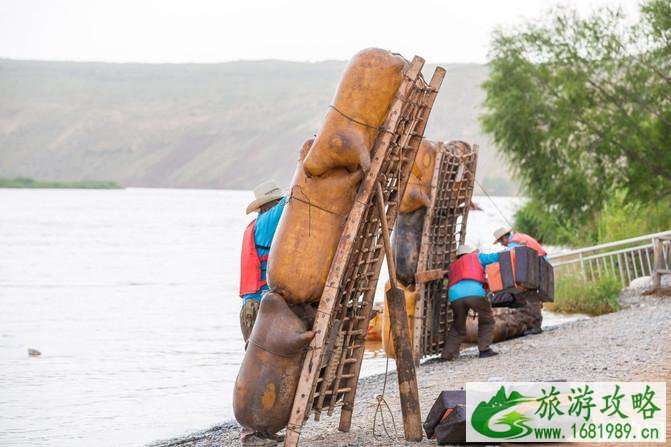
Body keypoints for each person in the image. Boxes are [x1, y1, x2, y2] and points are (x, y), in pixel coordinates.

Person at [238, 180, 286, 446]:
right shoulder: (268, 220)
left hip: (254, 306)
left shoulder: (257, 225)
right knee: (256, 371)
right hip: (256, 307)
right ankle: (250, 433)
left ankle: (263, 430)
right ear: (270, 205)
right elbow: (294, 201)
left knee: (264, 369)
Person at [441, 244, 500, 360]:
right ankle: (484, 349)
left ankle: (447, 355)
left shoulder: (453, 266)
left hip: (455, 296)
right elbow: (496, 257)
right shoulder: (477, 257)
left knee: (458, 326)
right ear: (470, 252)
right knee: (487, 320)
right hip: (475, 293)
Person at [493, 226, 546, 334]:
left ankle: (536, 326)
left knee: (530, 297)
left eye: (500, 242)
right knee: (529, 297)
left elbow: (509, 257)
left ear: (504, 238)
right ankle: (532, 324)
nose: (502, 244)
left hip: (535, 267)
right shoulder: (520, 237)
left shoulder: (514, 243)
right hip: (539, 265)